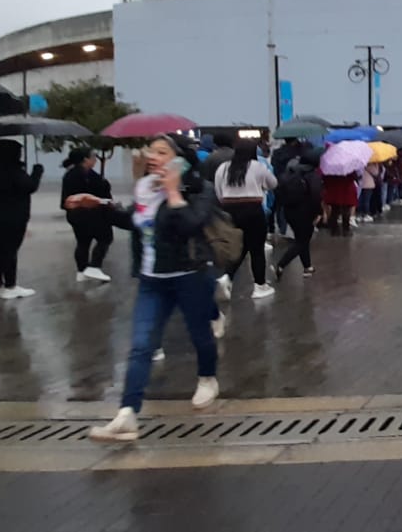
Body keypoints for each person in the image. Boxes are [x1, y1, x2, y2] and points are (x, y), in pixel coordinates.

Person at [89, 135, 220, 442]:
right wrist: (100, 207)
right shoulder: (145, 187)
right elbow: (136, 222)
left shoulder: (200, 189)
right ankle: (127, 414)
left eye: (162, 152)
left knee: (200, 335)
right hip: (152, 280)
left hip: (190, 275)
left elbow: (190, 225)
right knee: (141, 345)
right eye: (151, 151)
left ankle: (207, 378)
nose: (153, 156)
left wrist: (173, 193)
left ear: (180, 160)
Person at [214, 139, 278, 299]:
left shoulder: (223, 167)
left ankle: (227, 277)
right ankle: (260, 286)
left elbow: (218, 191)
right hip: (253, 210)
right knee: (256, 249)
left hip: (229, 210)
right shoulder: (258, 167)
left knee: (238, 246)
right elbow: (273, 184)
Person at [0, 140, 44, 300]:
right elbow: (29, 186)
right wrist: (37, 172)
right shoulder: (13, 170)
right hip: (14, 214)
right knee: (10, 250)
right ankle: (10, 285)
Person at [62, 148, 114, 283]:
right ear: (86, 159)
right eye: (93, 156)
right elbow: (98, 195)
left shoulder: (71, 174)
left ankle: (81, 271)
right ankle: (94, 266)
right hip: (89, 214)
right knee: (105, 237)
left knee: (83, 242)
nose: (95, 159)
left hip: (74, 214)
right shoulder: (85, 175)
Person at [274, 147, 323, 279]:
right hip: (306, 212)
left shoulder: (290, 172)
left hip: (289, 211)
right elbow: (316, 196)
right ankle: (281, 264)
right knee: (302, 241)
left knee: (302, 239)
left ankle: (307, 267)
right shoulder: (312, 175)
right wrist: (319, 212)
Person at [321, 170, 358, 236]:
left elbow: (324, 178)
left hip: (334, 191)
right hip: (346, 191)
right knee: (346, 210)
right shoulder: (348, 168)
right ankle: (346, 230)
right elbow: (353, 177)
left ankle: (334, 230)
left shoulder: (330, 168)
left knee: (334, 211)